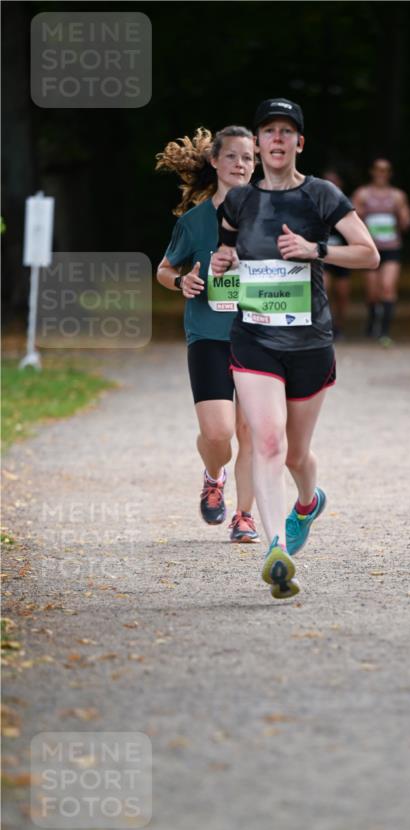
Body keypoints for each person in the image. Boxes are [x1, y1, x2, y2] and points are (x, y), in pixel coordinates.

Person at [211, 98, 379, 599]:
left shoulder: (322, 195)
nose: (277, 139)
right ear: (258, 143)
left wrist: (316, 250)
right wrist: (223, 263)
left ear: (299, 143)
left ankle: (307, 502)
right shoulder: (238, 201)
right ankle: (276, 551)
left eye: (287, 132)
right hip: (254, 337)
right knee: (267, 441)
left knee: (297, 455)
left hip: (309, 342)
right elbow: (228, 252)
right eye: (269, 132)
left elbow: (369, 254)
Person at [155, 126, 259, 541]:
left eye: (248, 158)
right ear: (215, 161)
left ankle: (245, 516)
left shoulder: (268, 216)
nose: (240, 164)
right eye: (232, 156)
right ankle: (214, 475)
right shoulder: (194, 222)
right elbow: (164, 269)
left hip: (257, 337)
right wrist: (183, 284)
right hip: (209, 337)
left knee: (251, 433)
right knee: (219, 435)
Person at [352, 158, 410, 345]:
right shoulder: (362, 194)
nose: (381, 173)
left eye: (385, 170)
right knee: (372, 292)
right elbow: (352, 220)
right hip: (370, 249)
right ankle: (372, 320)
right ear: (372, 171)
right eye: (378, 169)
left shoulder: (397, 196)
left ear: (389, 173)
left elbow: (405, 223)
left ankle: (384, 331)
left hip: (391, 248)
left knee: (388, 288)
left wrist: (405, 219)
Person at [322, 169, 351, 339]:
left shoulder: (347, 204)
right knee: (324, 289)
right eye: (327, 181)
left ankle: (339, 325)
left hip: (342, 256)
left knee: (342, 293)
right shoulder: (315, 202)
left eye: (334, 181)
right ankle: (327, 325)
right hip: (322, 254)